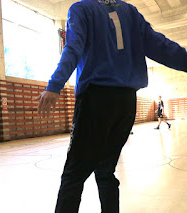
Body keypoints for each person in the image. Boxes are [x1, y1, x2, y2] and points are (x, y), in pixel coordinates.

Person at [34, 0, 187, 212]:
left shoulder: (81, 8)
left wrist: (55, 84)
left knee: (73, 175)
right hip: (126, 103)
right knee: (105, 171)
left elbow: (73, 47)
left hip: (95, 101)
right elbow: (161, 46)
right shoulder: (130, 12)